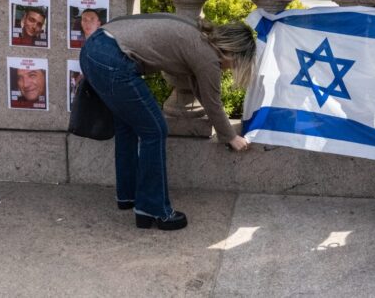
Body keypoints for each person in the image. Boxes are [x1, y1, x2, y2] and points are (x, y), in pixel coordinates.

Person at [79, 14, 255, 230]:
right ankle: (152, 208)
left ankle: (128, 195)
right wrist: (231, 137)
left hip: (93, 49)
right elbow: (213, 102)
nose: (231, 69)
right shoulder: (208, 56)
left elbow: (203, 93)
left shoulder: (198, 36)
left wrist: (226, 132)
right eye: (236, 64)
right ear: (233, 51)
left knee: (127, 125)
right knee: (155, 130)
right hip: (113, 60)